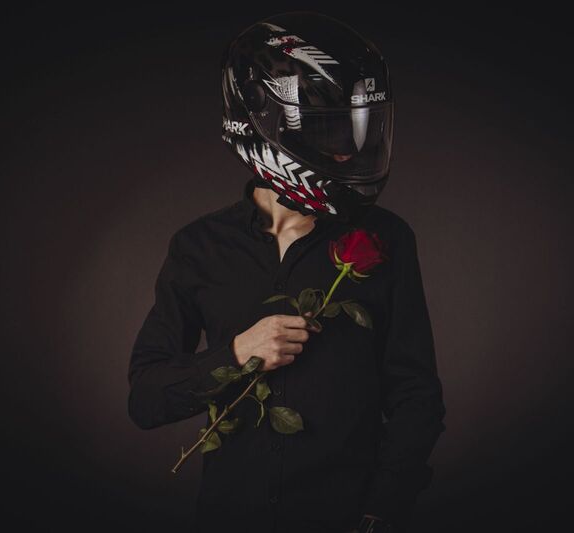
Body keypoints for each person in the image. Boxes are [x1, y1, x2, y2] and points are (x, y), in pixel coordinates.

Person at [128, 11, 446, 533]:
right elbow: (146, 399)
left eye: (356, 127)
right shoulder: (199, 247)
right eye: (327, 128)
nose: (345, 150)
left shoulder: (388, 240)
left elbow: (416, 396)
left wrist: (382, 510)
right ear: (260, 122)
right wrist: (236, 353)